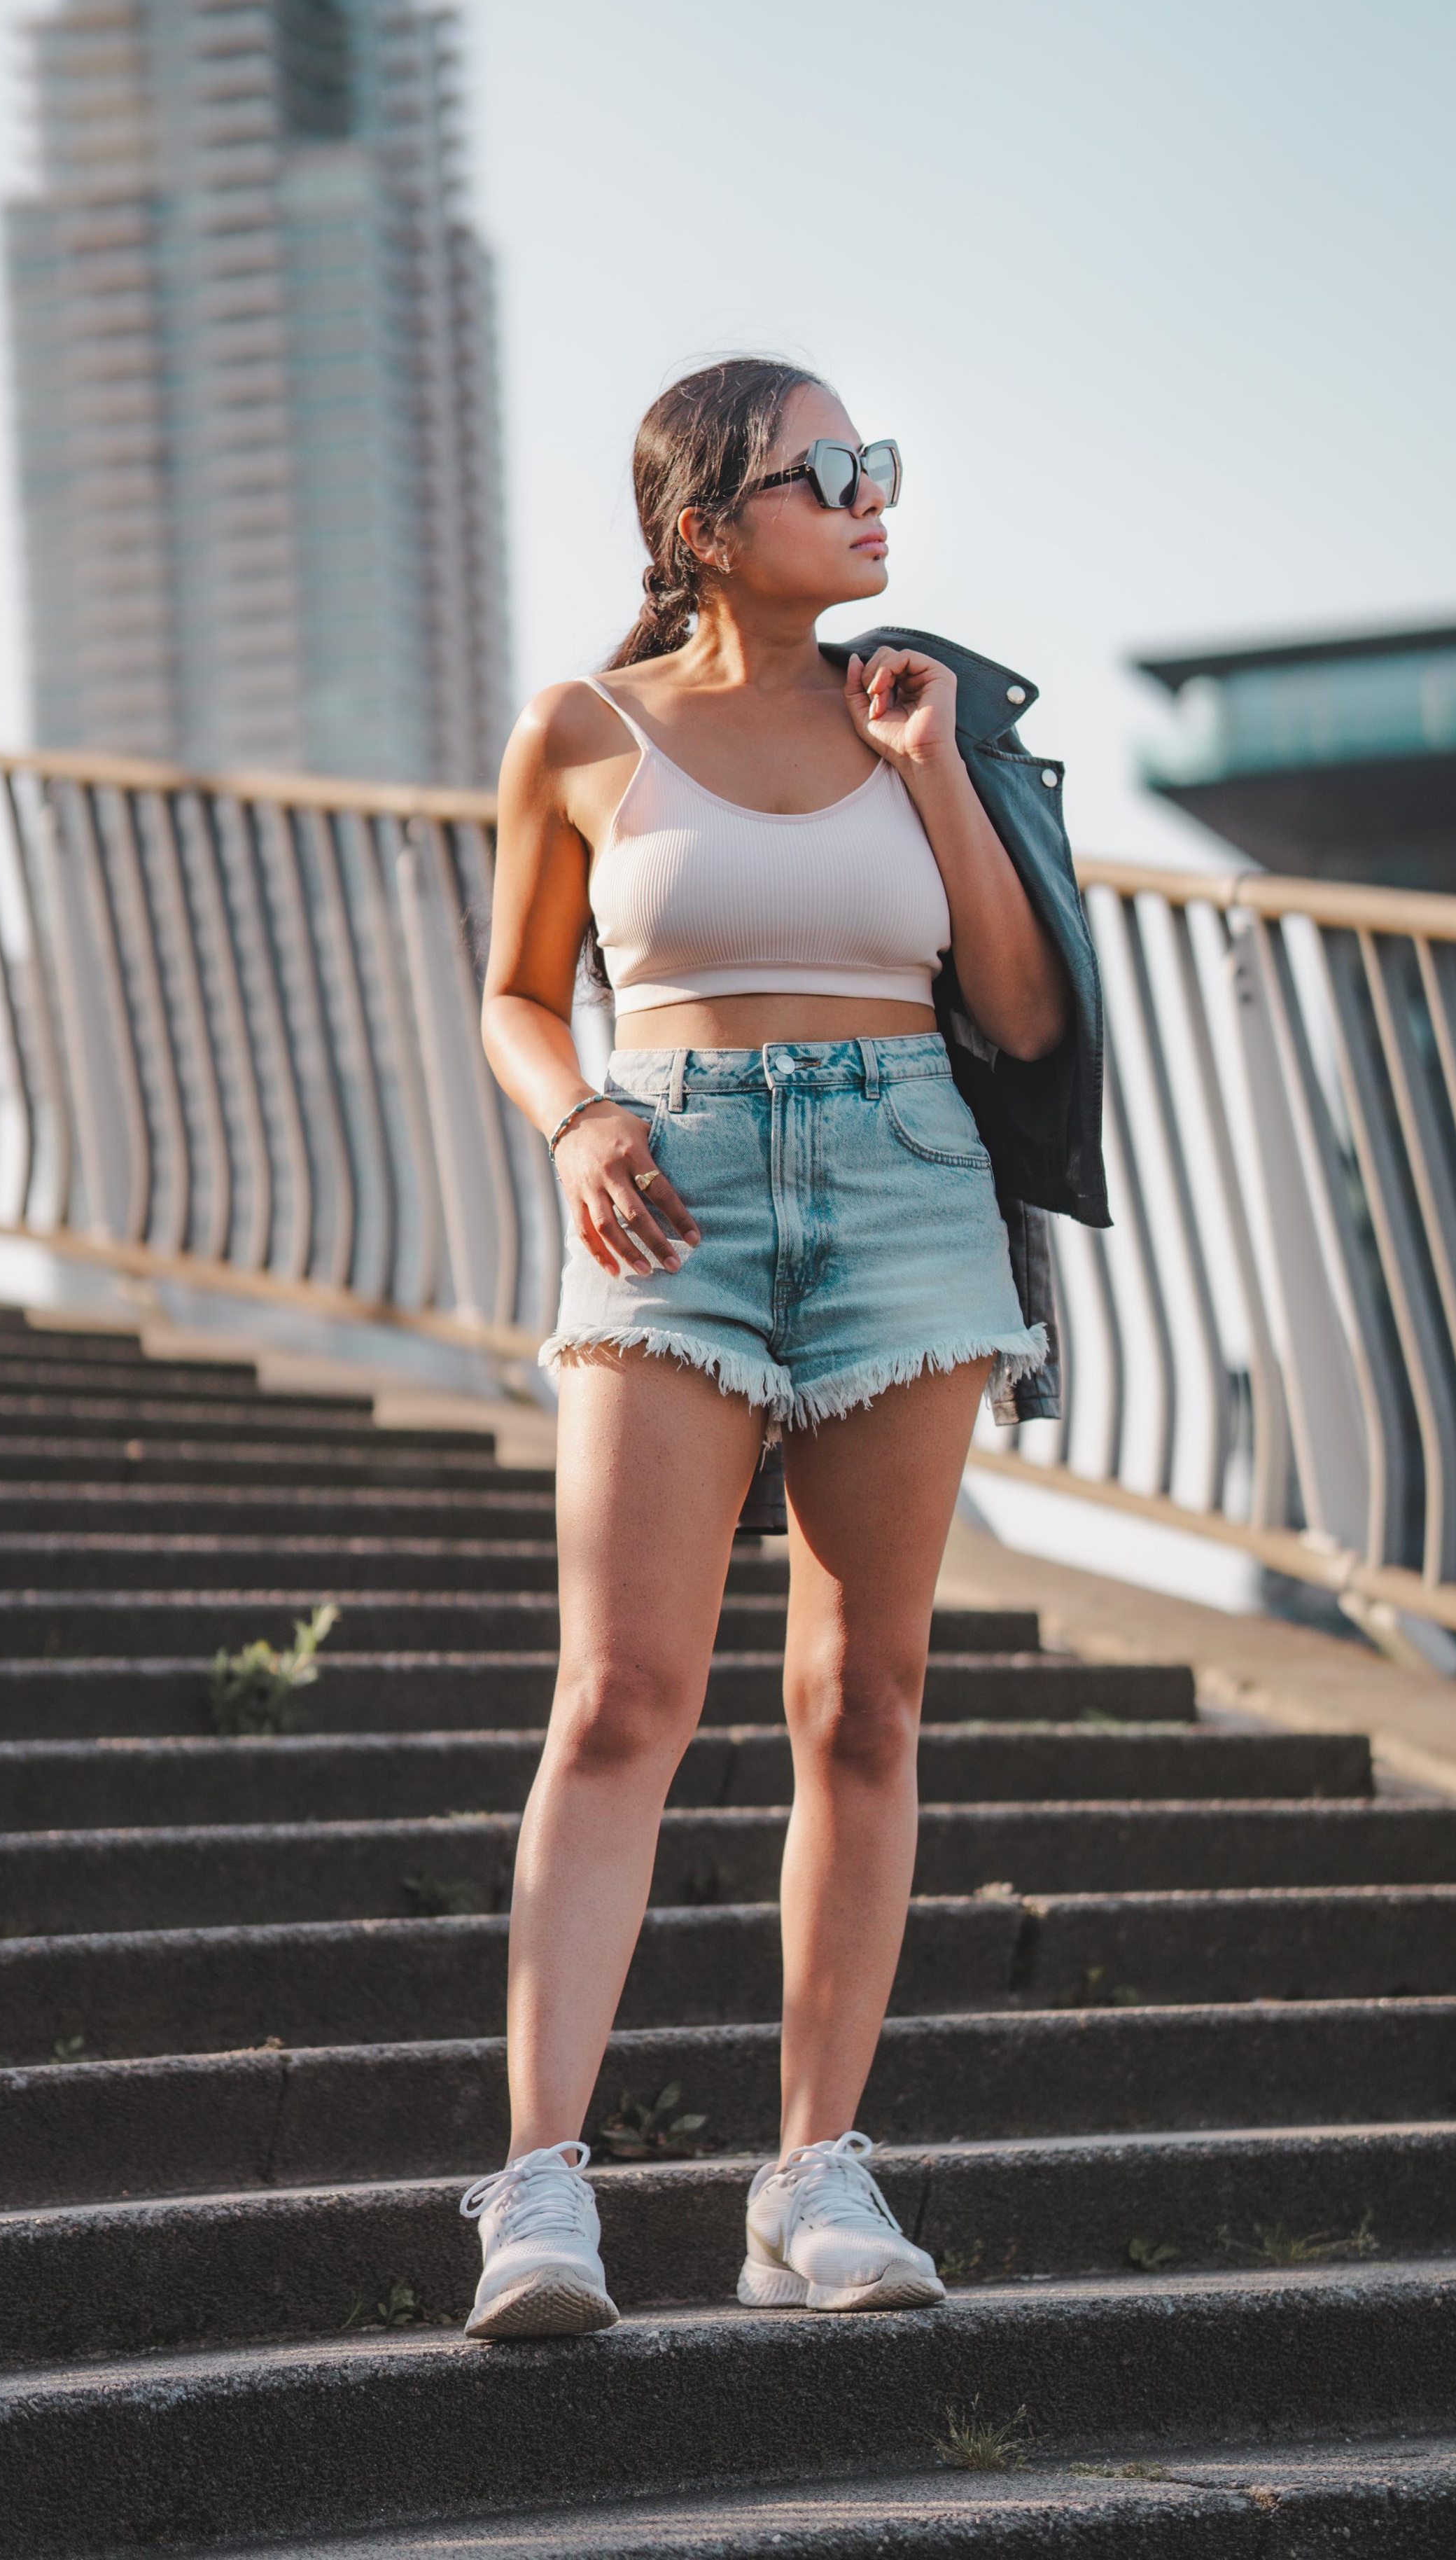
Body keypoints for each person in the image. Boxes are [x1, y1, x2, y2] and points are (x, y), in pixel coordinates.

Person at [466, 356, 1081, 2339]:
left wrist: (927, 771)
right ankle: (541, 2191)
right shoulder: (580, 728)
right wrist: (579, 1115)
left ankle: (812, 2175)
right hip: (674, 1184)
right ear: (701, 523)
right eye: (828, 472)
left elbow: (1013, 999)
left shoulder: (928, 713)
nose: (874, 496)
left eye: (878, 463)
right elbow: (513, 994)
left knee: (865, 1703)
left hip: (907, 1181)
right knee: (620, 1697)